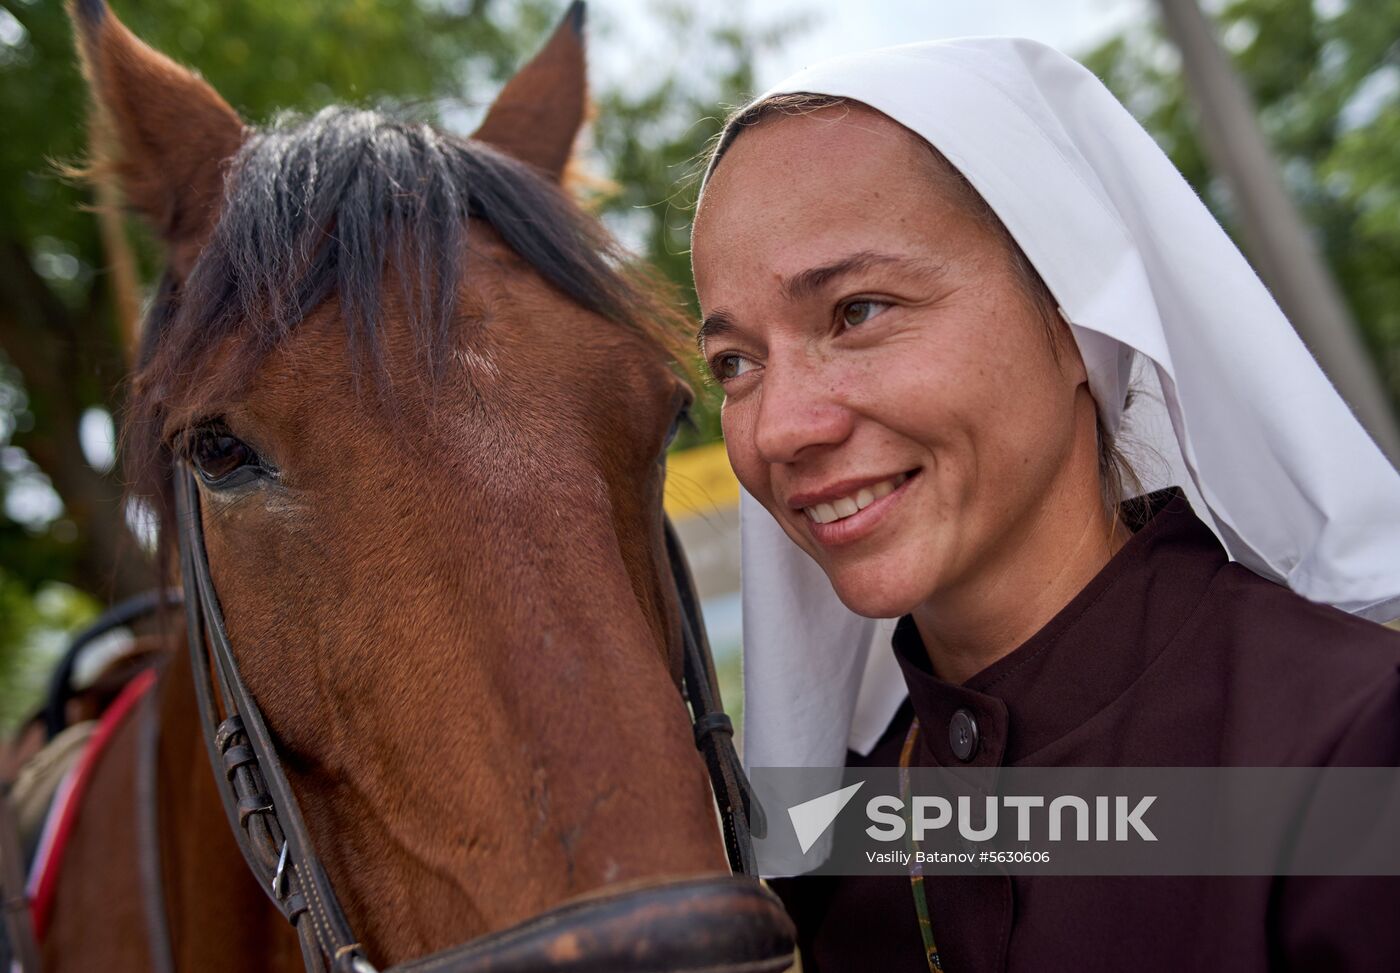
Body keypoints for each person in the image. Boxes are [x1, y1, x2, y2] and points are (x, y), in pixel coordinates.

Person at [688, 38, 1400, 973]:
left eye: (857, 311)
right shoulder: (834, 839)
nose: (778, 428)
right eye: (736, 363)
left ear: (1074, 321)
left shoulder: (1354, 751)